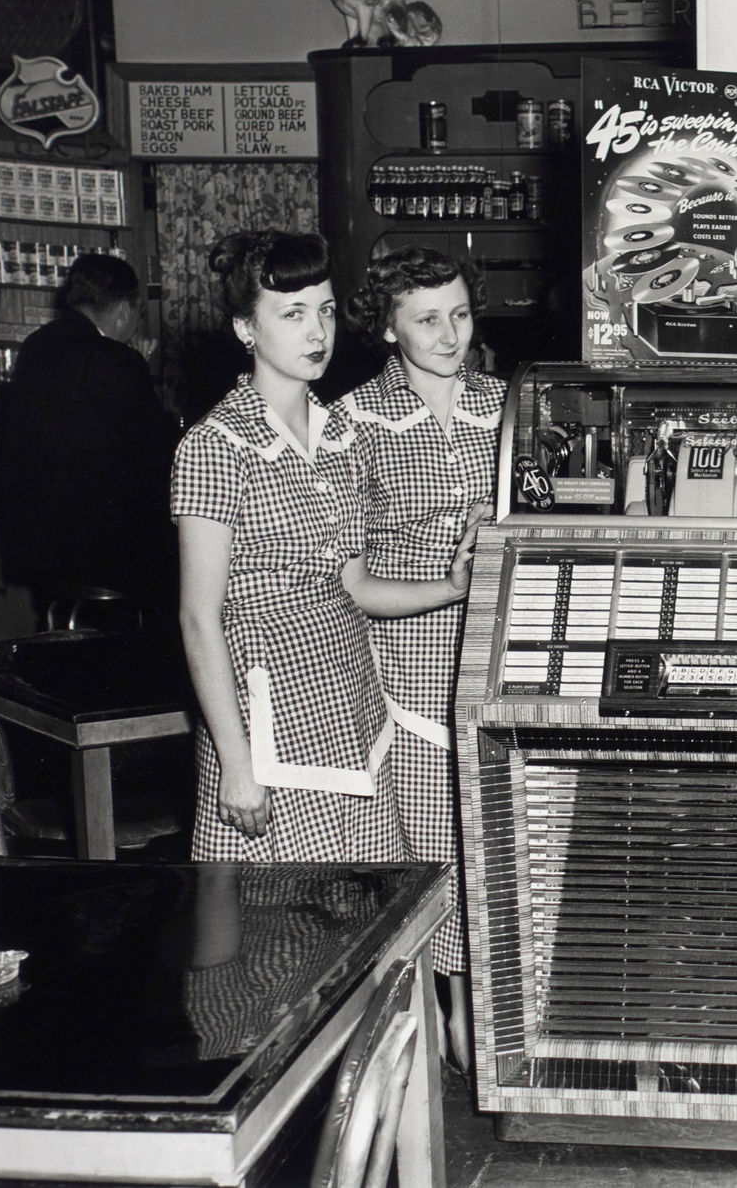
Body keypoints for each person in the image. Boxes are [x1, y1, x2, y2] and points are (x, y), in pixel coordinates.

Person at [173, 230, 485, 864]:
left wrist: (451, 586)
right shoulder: (215, 446)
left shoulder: (343, 434)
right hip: (269, 728)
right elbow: (199, 617)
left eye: (324, 311)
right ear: (245, 328)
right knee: (276, 921)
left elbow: (354, 583)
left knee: (378, 913)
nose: (317, 332)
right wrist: (235, 762)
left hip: (356, 714)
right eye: (292, 314)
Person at [342, 246, 506, 1073]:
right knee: (437, 847)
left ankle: (492, 1006)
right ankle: (448, 1009)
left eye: (461, 314)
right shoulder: (351, 423)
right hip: (407, 670)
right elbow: (351, 582)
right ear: (386, 327)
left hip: (499, 654)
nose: (451, 335)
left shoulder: (508, 405)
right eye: (428, 319)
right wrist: (446, 580)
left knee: (496, 842)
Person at [0, 253, 178, 622]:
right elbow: (158, 450)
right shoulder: (119, 360)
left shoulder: (37, 345)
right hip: (98, 556)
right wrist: (138, 369)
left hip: (40, 547)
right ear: (124, 310)